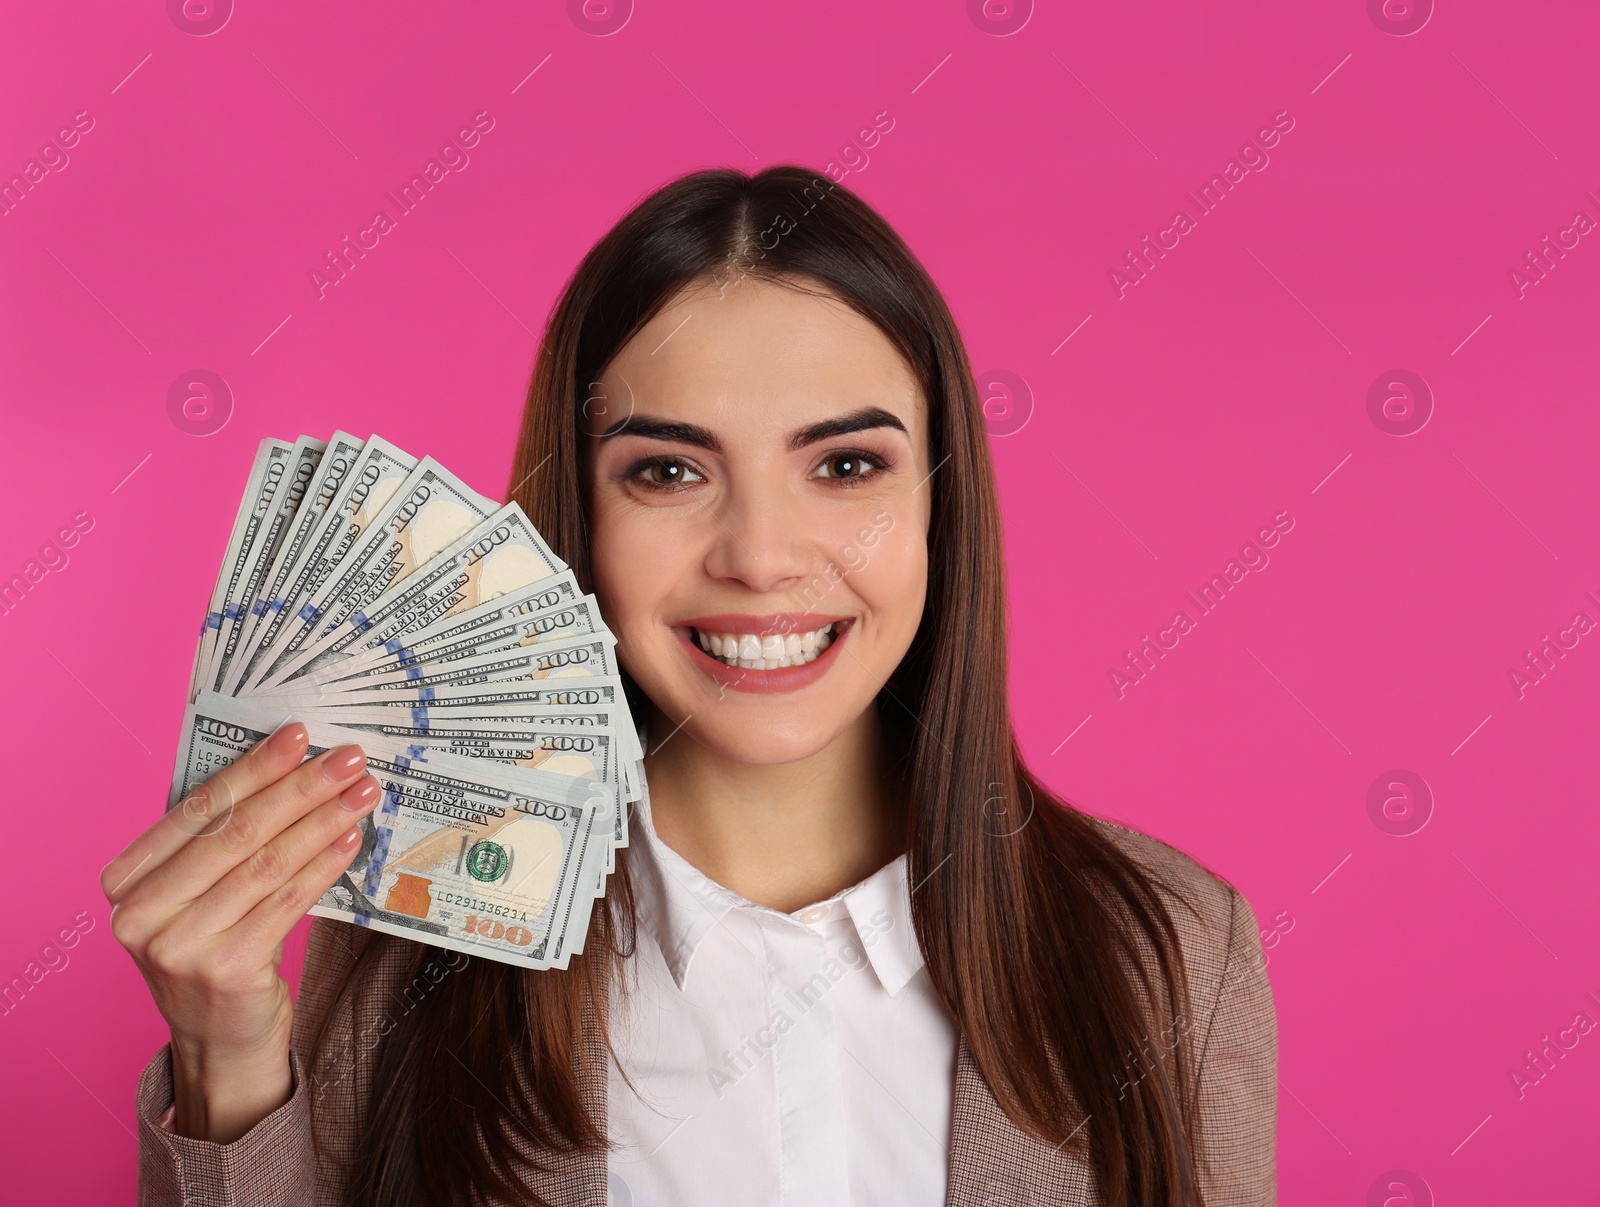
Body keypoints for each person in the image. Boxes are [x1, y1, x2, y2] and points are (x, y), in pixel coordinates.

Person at [106, 165, 1278, 1207]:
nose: (761, 555)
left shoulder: (1171, 952)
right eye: (668, 470)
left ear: (940, 504)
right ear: (580, 522)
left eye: (846, 465)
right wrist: (227, 1066)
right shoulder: (415, 955)